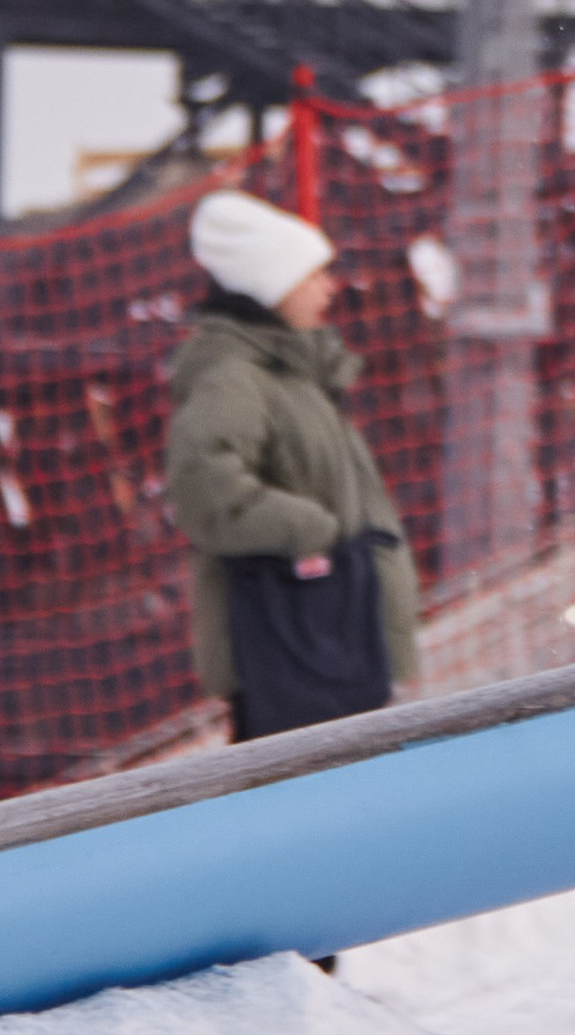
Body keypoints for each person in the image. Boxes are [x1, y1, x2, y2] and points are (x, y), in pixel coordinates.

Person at [165, 191, 421, 739]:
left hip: (335, 641)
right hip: (293, 650)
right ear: (273, 285)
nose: (329, 287)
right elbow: (203, 489)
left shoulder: (297, 375)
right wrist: (313, 532)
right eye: (313, 275)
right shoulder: (235, 376)